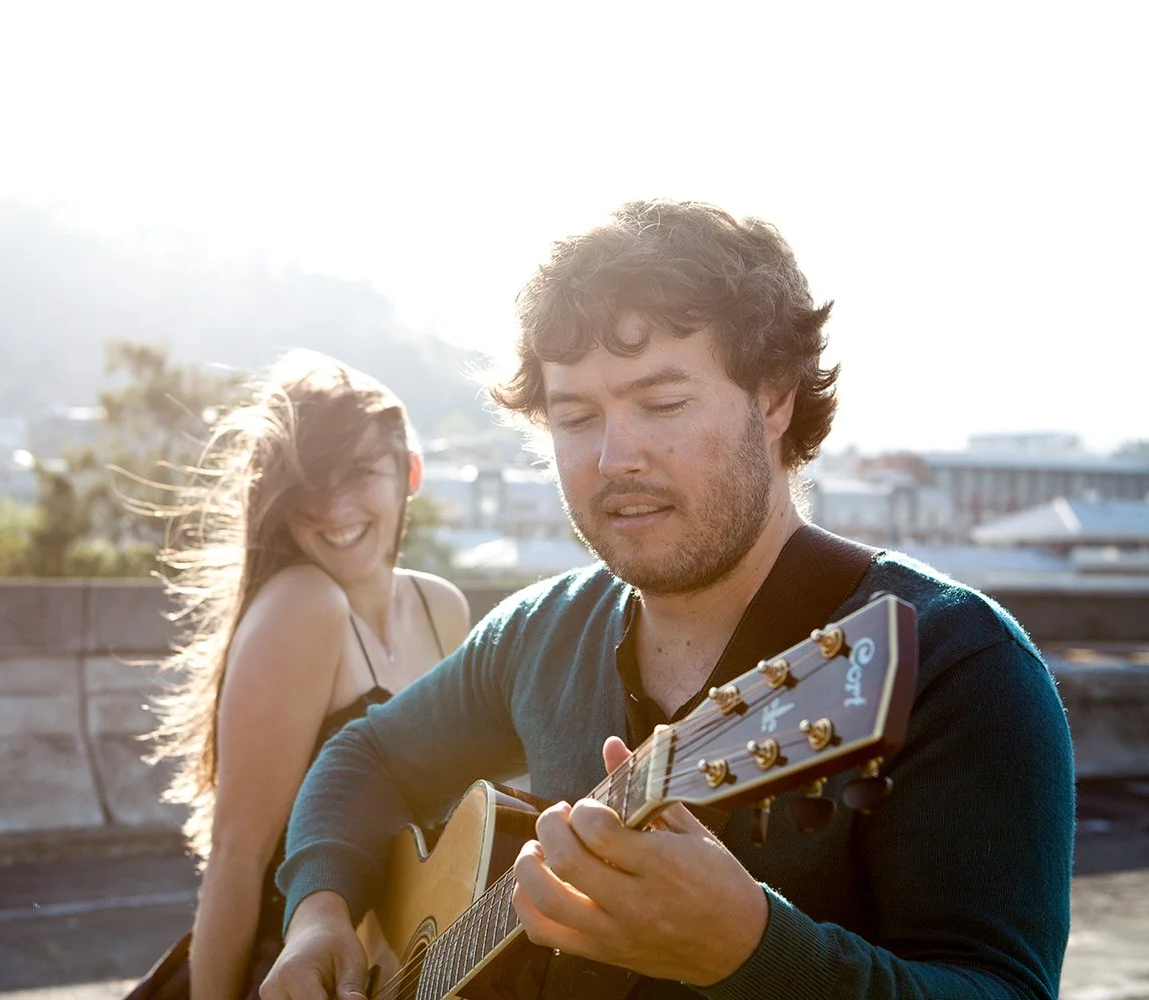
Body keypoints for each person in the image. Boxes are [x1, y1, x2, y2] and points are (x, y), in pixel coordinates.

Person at [260, 200, 1076, 1000]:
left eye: (663, 404)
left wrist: (753, 953)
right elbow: (364, 758)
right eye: (576, 416)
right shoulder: (544, 630)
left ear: (773, 397)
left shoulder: (955, 663)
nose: (616, 457)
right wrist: (319, 912)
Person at [140, 350, 471, 1000]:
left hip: (395, 974)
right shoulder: (304, 606)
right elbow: (237, 857)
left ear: (410, 473)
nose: (334, 505)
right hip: (286, 976)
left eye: (362, 472)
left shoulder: (443, 609)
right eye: (309, 482)